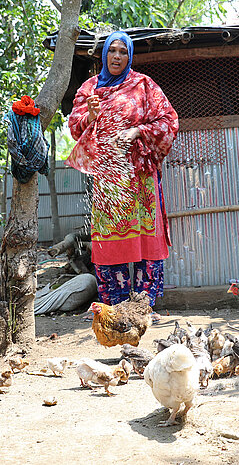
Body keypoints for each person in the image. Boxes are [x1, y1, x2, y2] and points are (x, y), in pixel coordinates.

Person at [67, 31, 178, 314]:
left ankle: (142, 307)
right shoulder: (89, 88)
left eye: (123, 52)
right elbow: (75, 128)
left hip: (140, 179)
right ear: (104, 55)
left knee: (144, 241)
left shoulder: (143, 85)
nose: (117, 56)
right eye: (112, 51)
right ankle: (115, 309)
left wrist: (137, 131)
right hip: (109, 180)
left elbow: (169, 120)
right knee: (111, 242)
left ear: (129, 56)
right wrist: (91, 116)